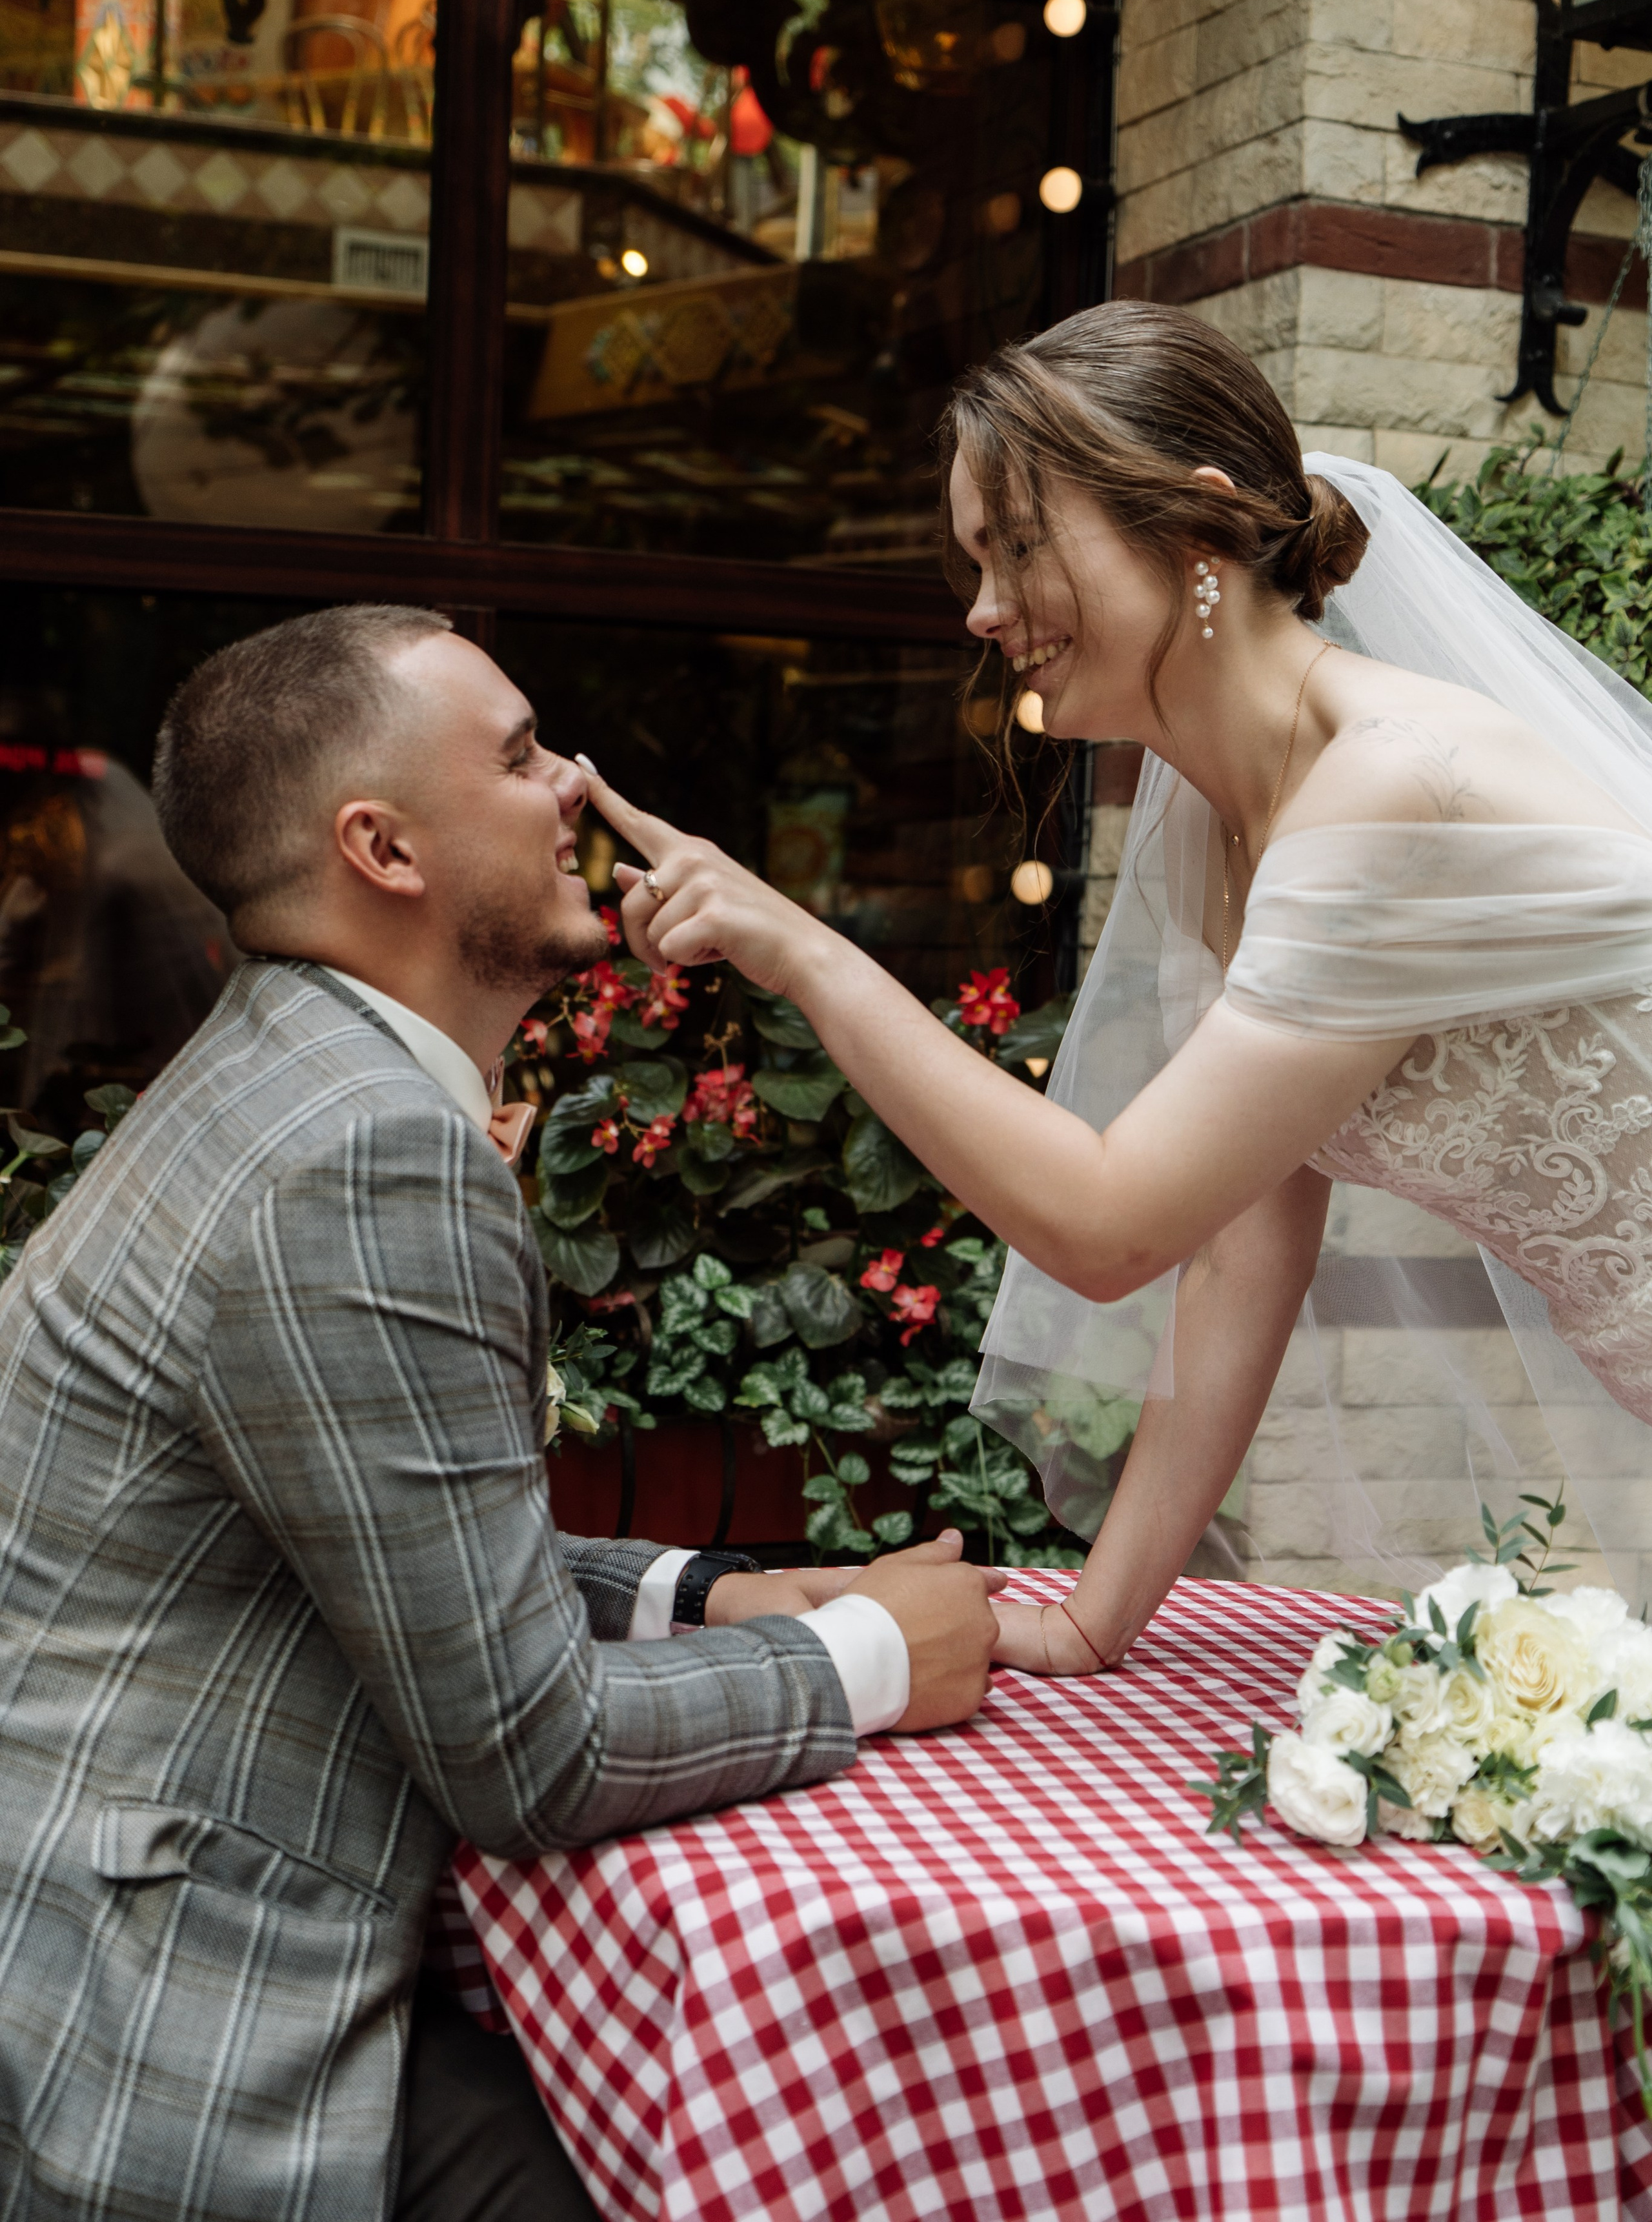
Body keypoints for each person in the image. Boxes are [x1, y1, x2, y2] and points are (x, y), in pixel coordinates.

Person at [0, 605, 1002, 2221]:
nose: (576, 787)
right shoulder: (363, 1153)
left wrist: (710, 1593)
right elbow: (531, 1755)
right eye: (525, 754)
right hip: (167, 2012)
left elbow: (400, 1537)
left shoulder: (291, 1073)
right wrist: (875, 1659)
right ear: (382, 847)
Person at [578, 299, 1652, 1681]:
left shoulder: (1389, 788)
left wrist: (804, 950)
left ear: (1197, 527)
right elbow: (1233, 1240)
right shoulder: (1223, 820)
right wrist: (1097, 1619)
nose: (980, 609)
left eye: (1017, 546)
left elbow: (1104, 1224)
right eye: (975, 559)